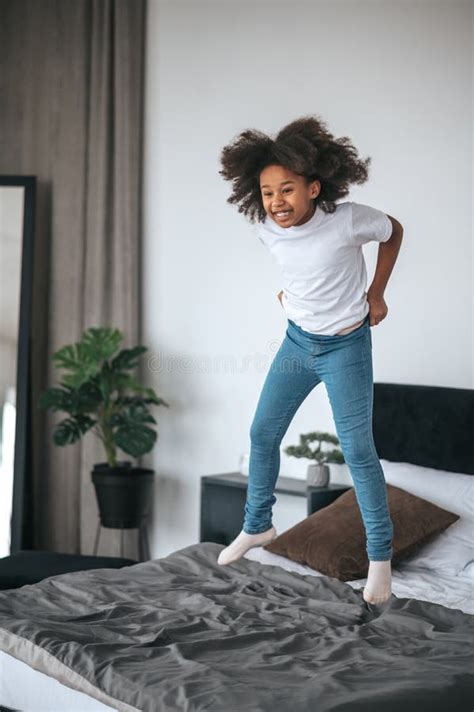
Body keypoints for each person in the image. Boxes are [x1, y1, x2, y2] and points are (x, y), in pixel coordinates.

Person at [216, 115, 403, 605]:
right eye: (267, 191)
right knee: (262, 433)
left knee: (358, 451)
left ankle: (380, 561)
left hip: (345, 348)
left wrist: (376, 293)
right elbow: (300, 269)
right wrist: (293, 299)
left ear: (314, 187)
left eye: (288, 190)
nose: (277, 202)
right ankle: (258, 525)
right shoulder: (266, 228)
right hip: (297, 344)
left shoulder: (347, 219)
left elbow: (394, 231)